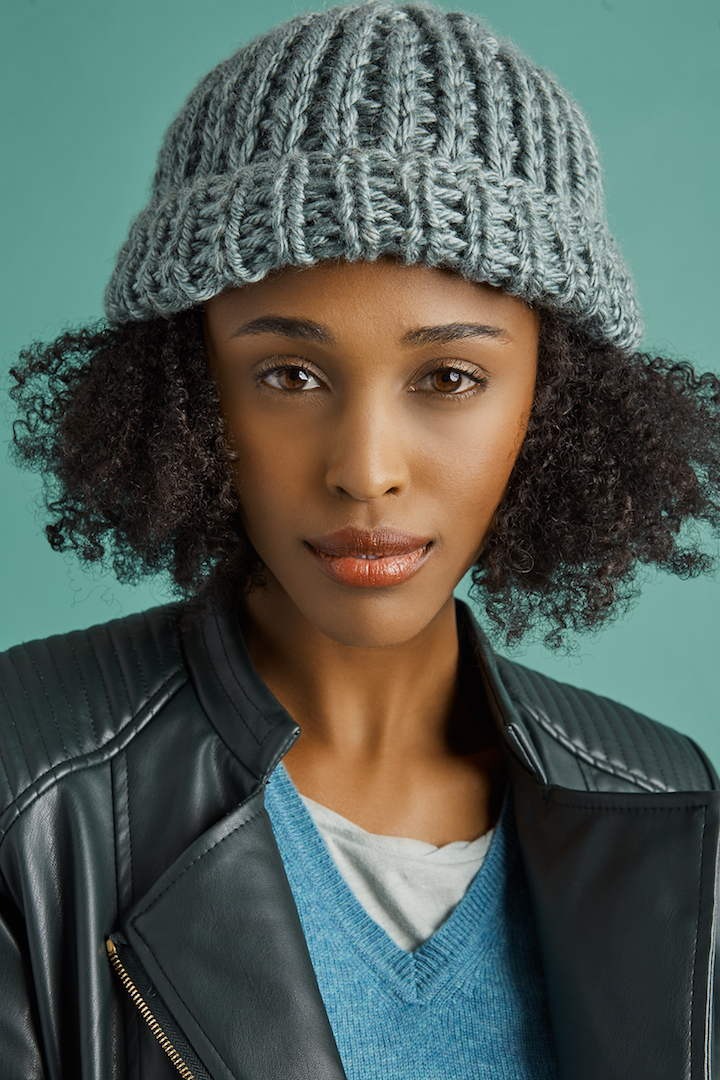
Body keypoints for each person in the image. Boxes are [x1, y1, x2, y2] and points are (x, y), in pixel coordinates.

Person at [2, 2, 720, 1078]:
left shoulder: (668, 801)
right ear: (193, 393)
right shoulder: (27, 779)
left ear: (558, 402)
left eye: (449, 378)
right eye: (289, 375)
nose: (365, 466)